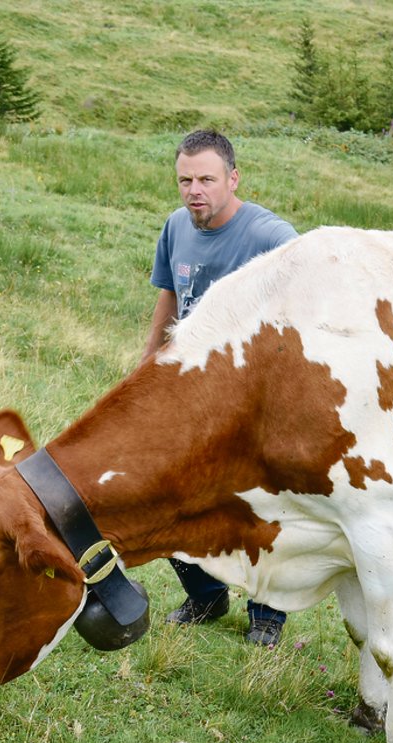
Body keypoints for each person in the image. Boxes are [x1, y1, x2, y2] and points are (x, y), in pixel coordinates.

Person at [144, 129, 298, 645]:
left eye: (207, 179)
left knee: (259, 505)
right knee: (163, 487)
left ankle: (267, 617)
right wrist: (149, 365)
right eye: (185, 180)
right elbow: (169, 295)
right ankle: (205, 595)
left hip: (255, 402)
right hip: (190, 392)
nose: (195, 190)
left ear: (233, 178)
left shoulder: (270, 237)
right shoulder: (175, 228)